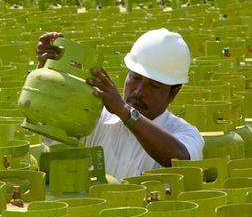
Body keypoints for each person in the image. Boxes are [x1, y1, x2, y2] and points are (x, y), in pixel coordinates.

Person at [37, 28, 204, 179]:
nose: (138, 91)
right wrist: (47, 76)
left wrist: (125, 111)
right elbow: (54, 133)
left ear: (173, 93)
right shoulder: (96, 117)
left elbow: (179, 159)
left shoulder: (185, 133)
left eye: (153, 86)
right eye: (135, 78)